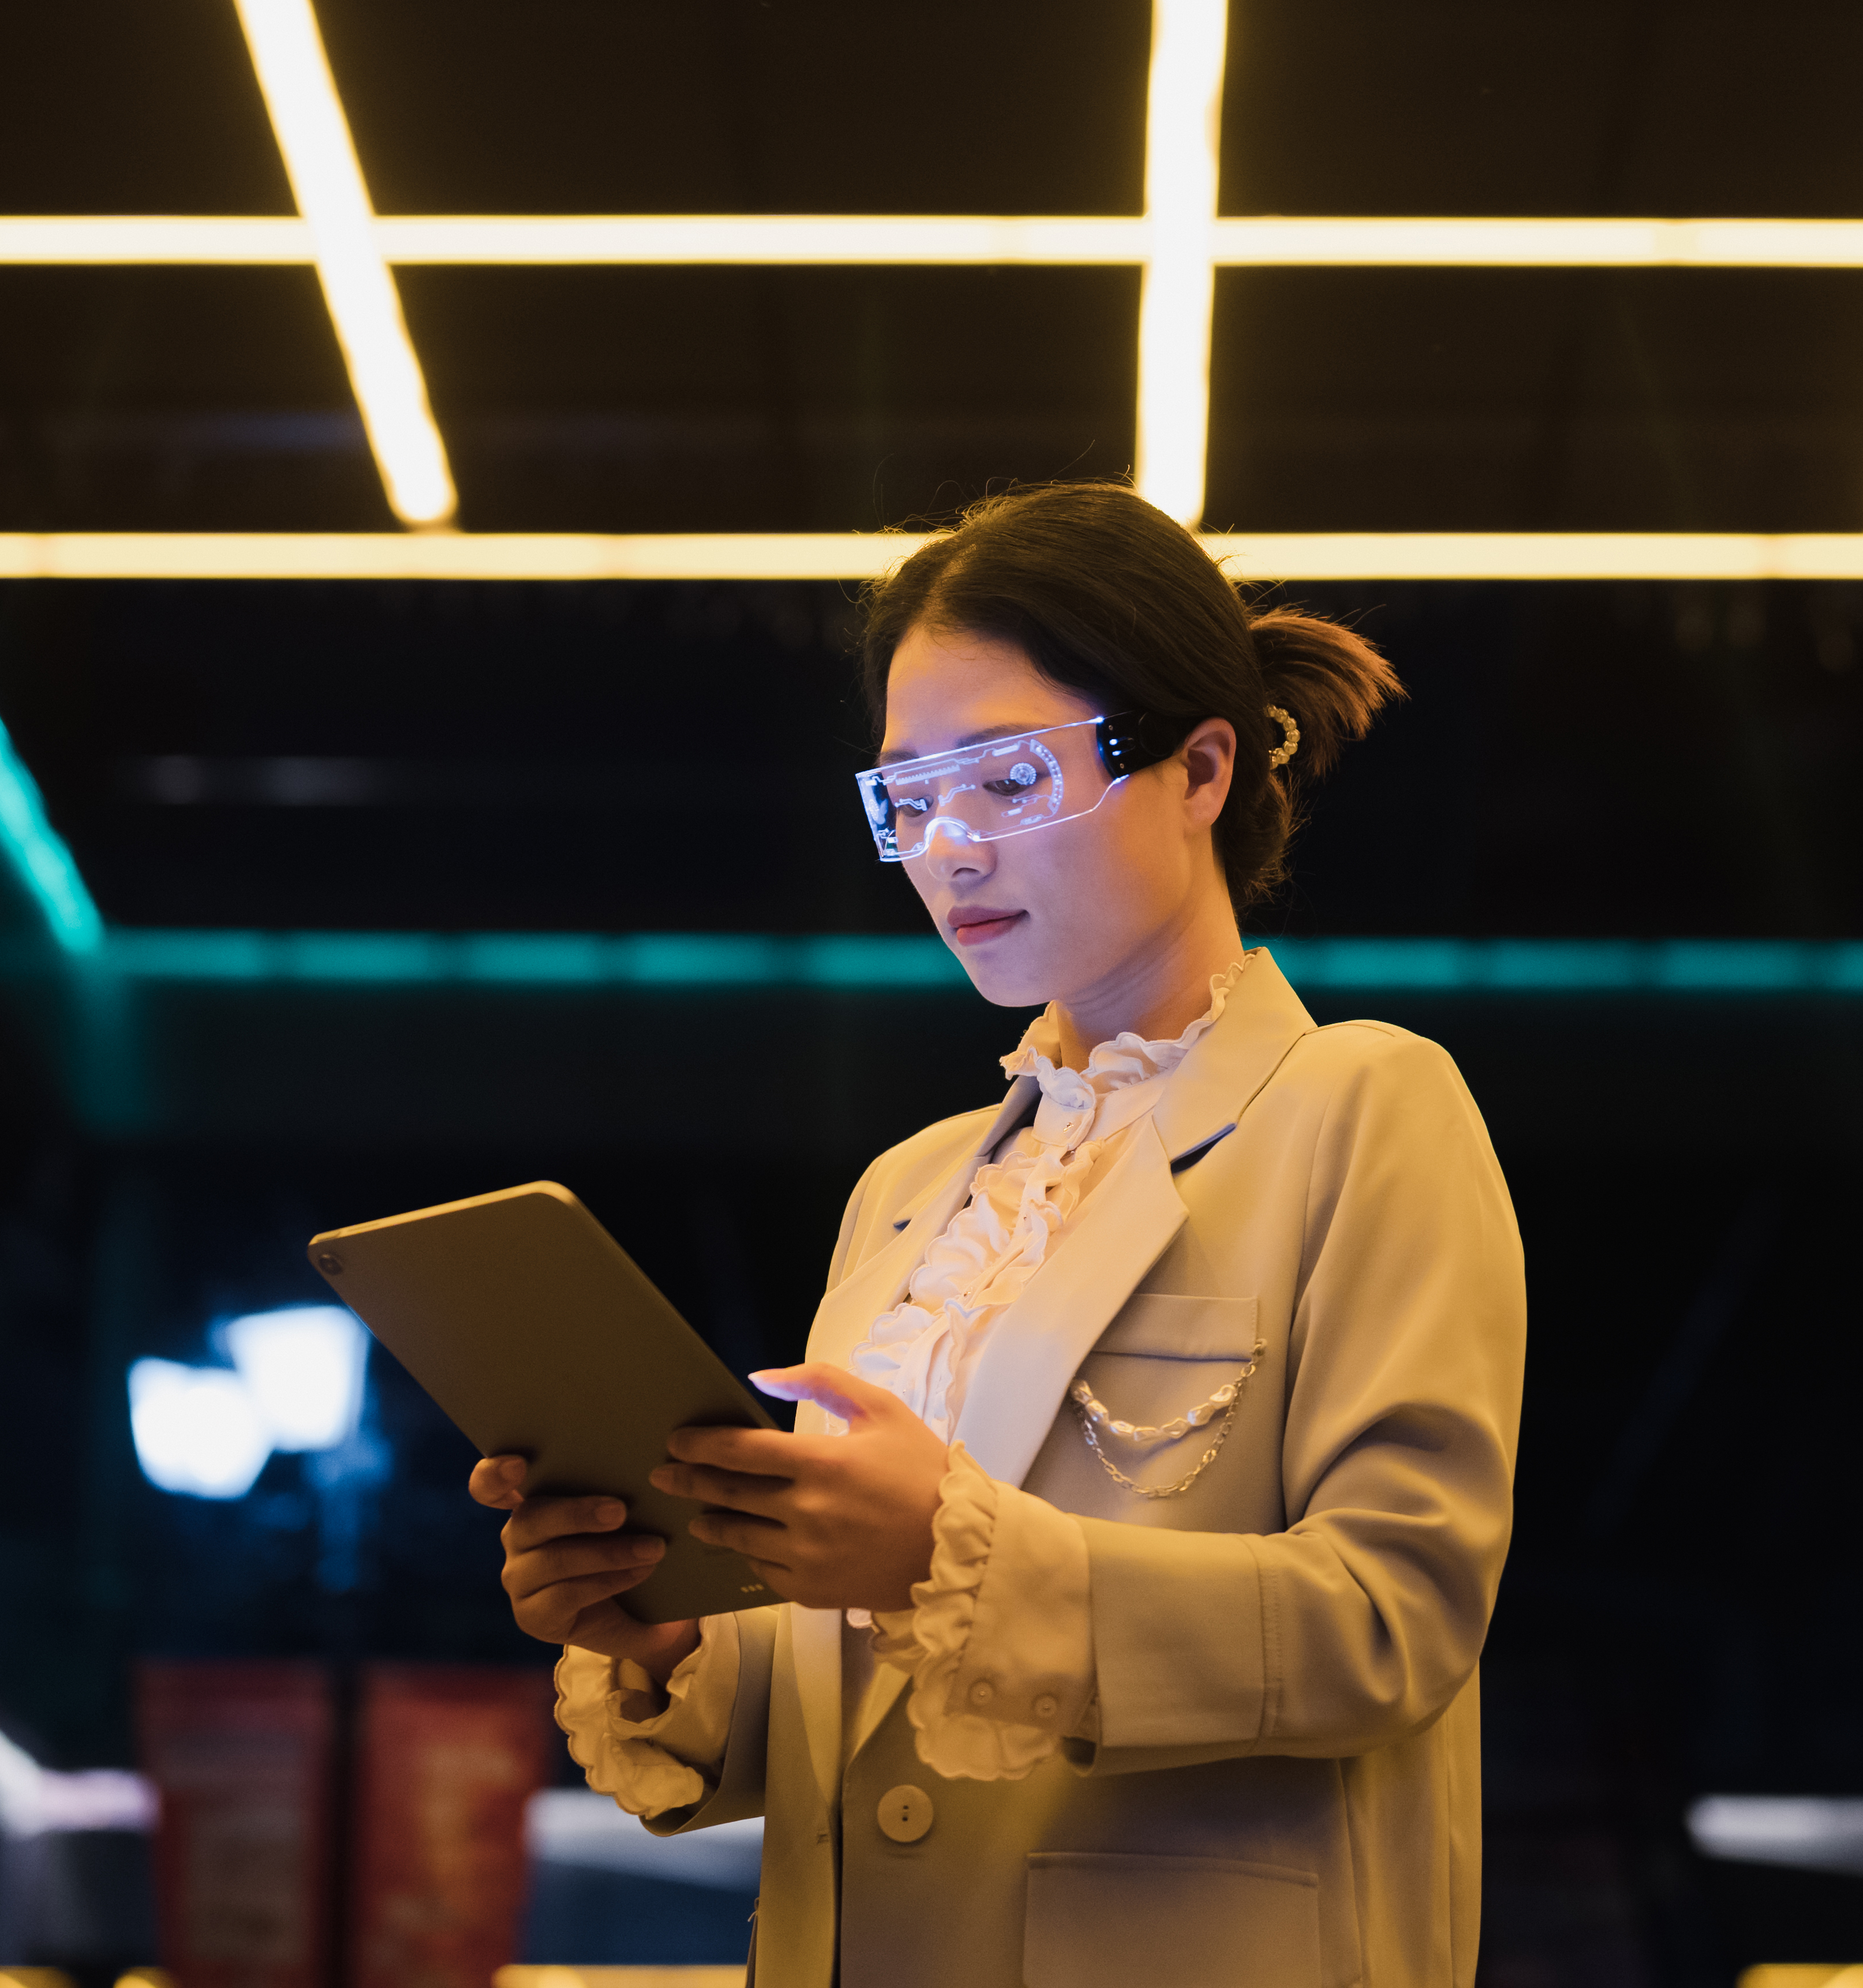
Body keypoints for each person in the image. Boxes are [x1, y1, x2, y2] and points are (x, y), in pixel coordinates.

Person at [469, 483, 1526, 1986]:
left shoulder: (1361, 1109)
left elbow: (1395, 1618)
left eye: (1010, 782)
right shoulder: (909, 1197)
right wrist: (660, 1628)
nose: (948, 852)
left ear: (1202, 767)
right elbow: (860, 1713)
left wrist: (946, 1556)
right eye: (908, 797)